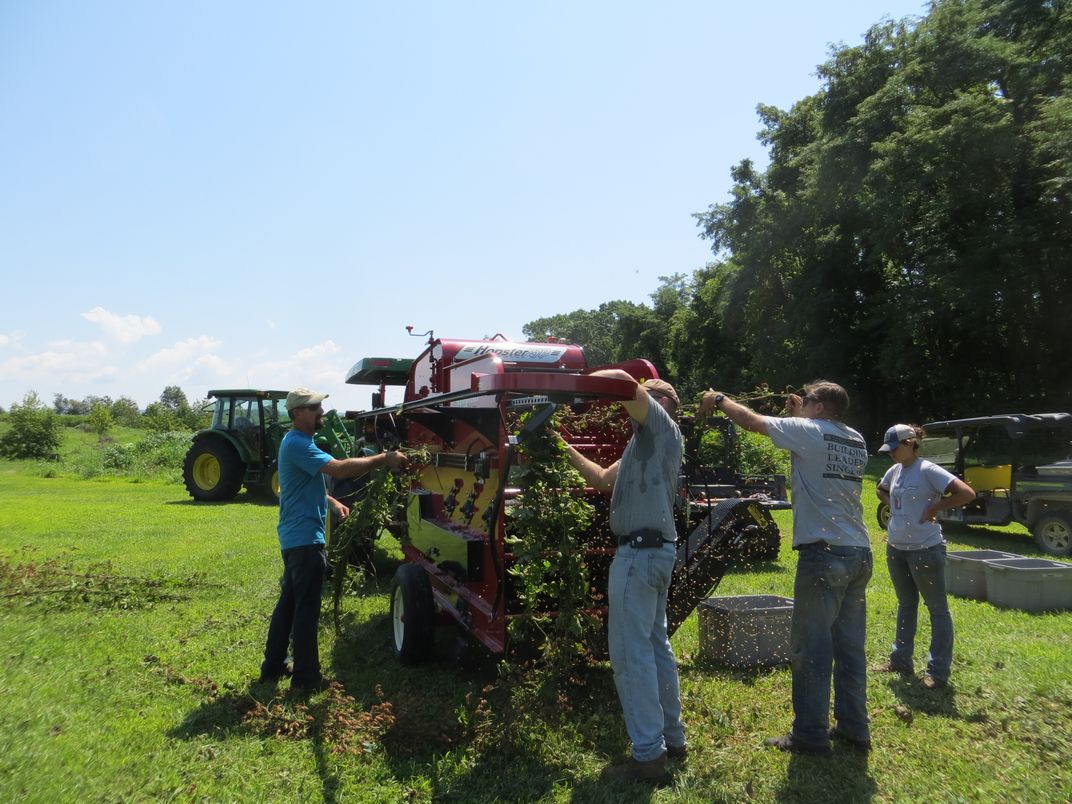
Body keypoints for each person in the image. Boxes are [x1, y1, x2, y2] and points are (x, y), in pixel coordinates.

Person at [700, 381, 872, 754]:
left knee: (810, 648)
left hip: (823, 554)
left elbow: (753, 422)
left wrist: (720, 398)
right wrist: (798, 416)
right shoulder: (855, 438)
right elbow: (817, 450)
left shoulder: (808, 430)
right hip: (858, 551)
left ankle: (810, 735)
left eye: (808, 400)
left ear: (821, 407)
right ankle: (855, 728)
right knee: (850, 648)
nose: (803, 403)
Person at [562, 373, 685, 785]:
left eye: (648, 395)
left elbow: (621, 380)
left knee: (631, 657)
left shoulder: (663, 428)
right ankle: (673, 738)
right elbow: (599, 478)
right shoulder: (640, 445)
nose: (635, 402)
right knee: (655, 647)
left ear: (664, 402)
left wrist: (569, 385)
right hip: (652, 553)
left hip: (640, 556)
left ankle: (648, 756)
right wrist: (559, 447)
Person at [259, 387, 406, 692]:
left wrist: (331, 501)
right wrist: (384, 458)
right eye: (314, 408)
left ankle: (273, 665)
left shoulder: (295, 442)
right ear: (297, 413)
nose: (320, 412)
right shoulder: (299, 443)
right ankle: (306, 678)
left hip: (294, 538)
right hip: (304, 541)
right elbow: (337, 468)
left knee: (288, 604)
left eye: (319, 407)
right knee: (306, 609)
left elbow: (300, 484)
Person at [874, 424, 976, 689]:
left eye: (894, 449)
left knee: (937, 610)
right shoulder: (895, 470)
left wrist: (935, 507)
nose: (891, 454)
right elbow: (880, 489)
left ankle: (937, 672)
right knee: (906, 604)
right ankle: (900, 661)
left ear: (910, 443)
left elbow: (966, 493)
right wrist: (893, 504)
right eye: (888, 451)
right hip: (896, 549)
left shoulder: (928, 469)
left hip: (925, 550)